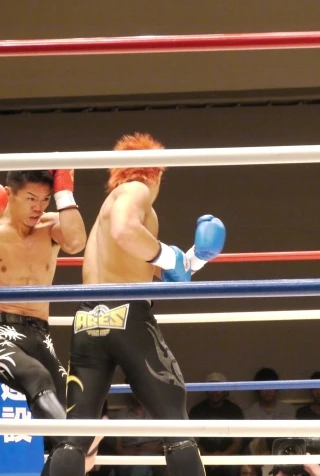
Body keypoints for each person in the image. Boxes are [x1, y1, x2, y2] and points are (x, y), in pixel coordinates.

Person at [43, 132, 226, 476]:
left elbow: (143, 264)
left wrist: (191, 261)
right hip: (127, 315)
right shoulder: (136, 190)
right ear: (154, 172)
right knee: (177, 429)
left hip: (87, 320)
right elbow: (126, 231)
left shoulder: (109, 203)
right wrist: (168, 255)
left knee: (75, 436)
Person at [0, 169, 99, 468]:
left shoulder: (50, 227)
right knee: (39, 380)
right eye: (31, 198)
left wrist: (65, 194)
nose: (39, 206)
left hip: (40, 336)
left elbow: (76, 243)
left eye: (46, 199)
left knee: (78, 410)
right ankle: (72, 446)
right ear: (9, 196)